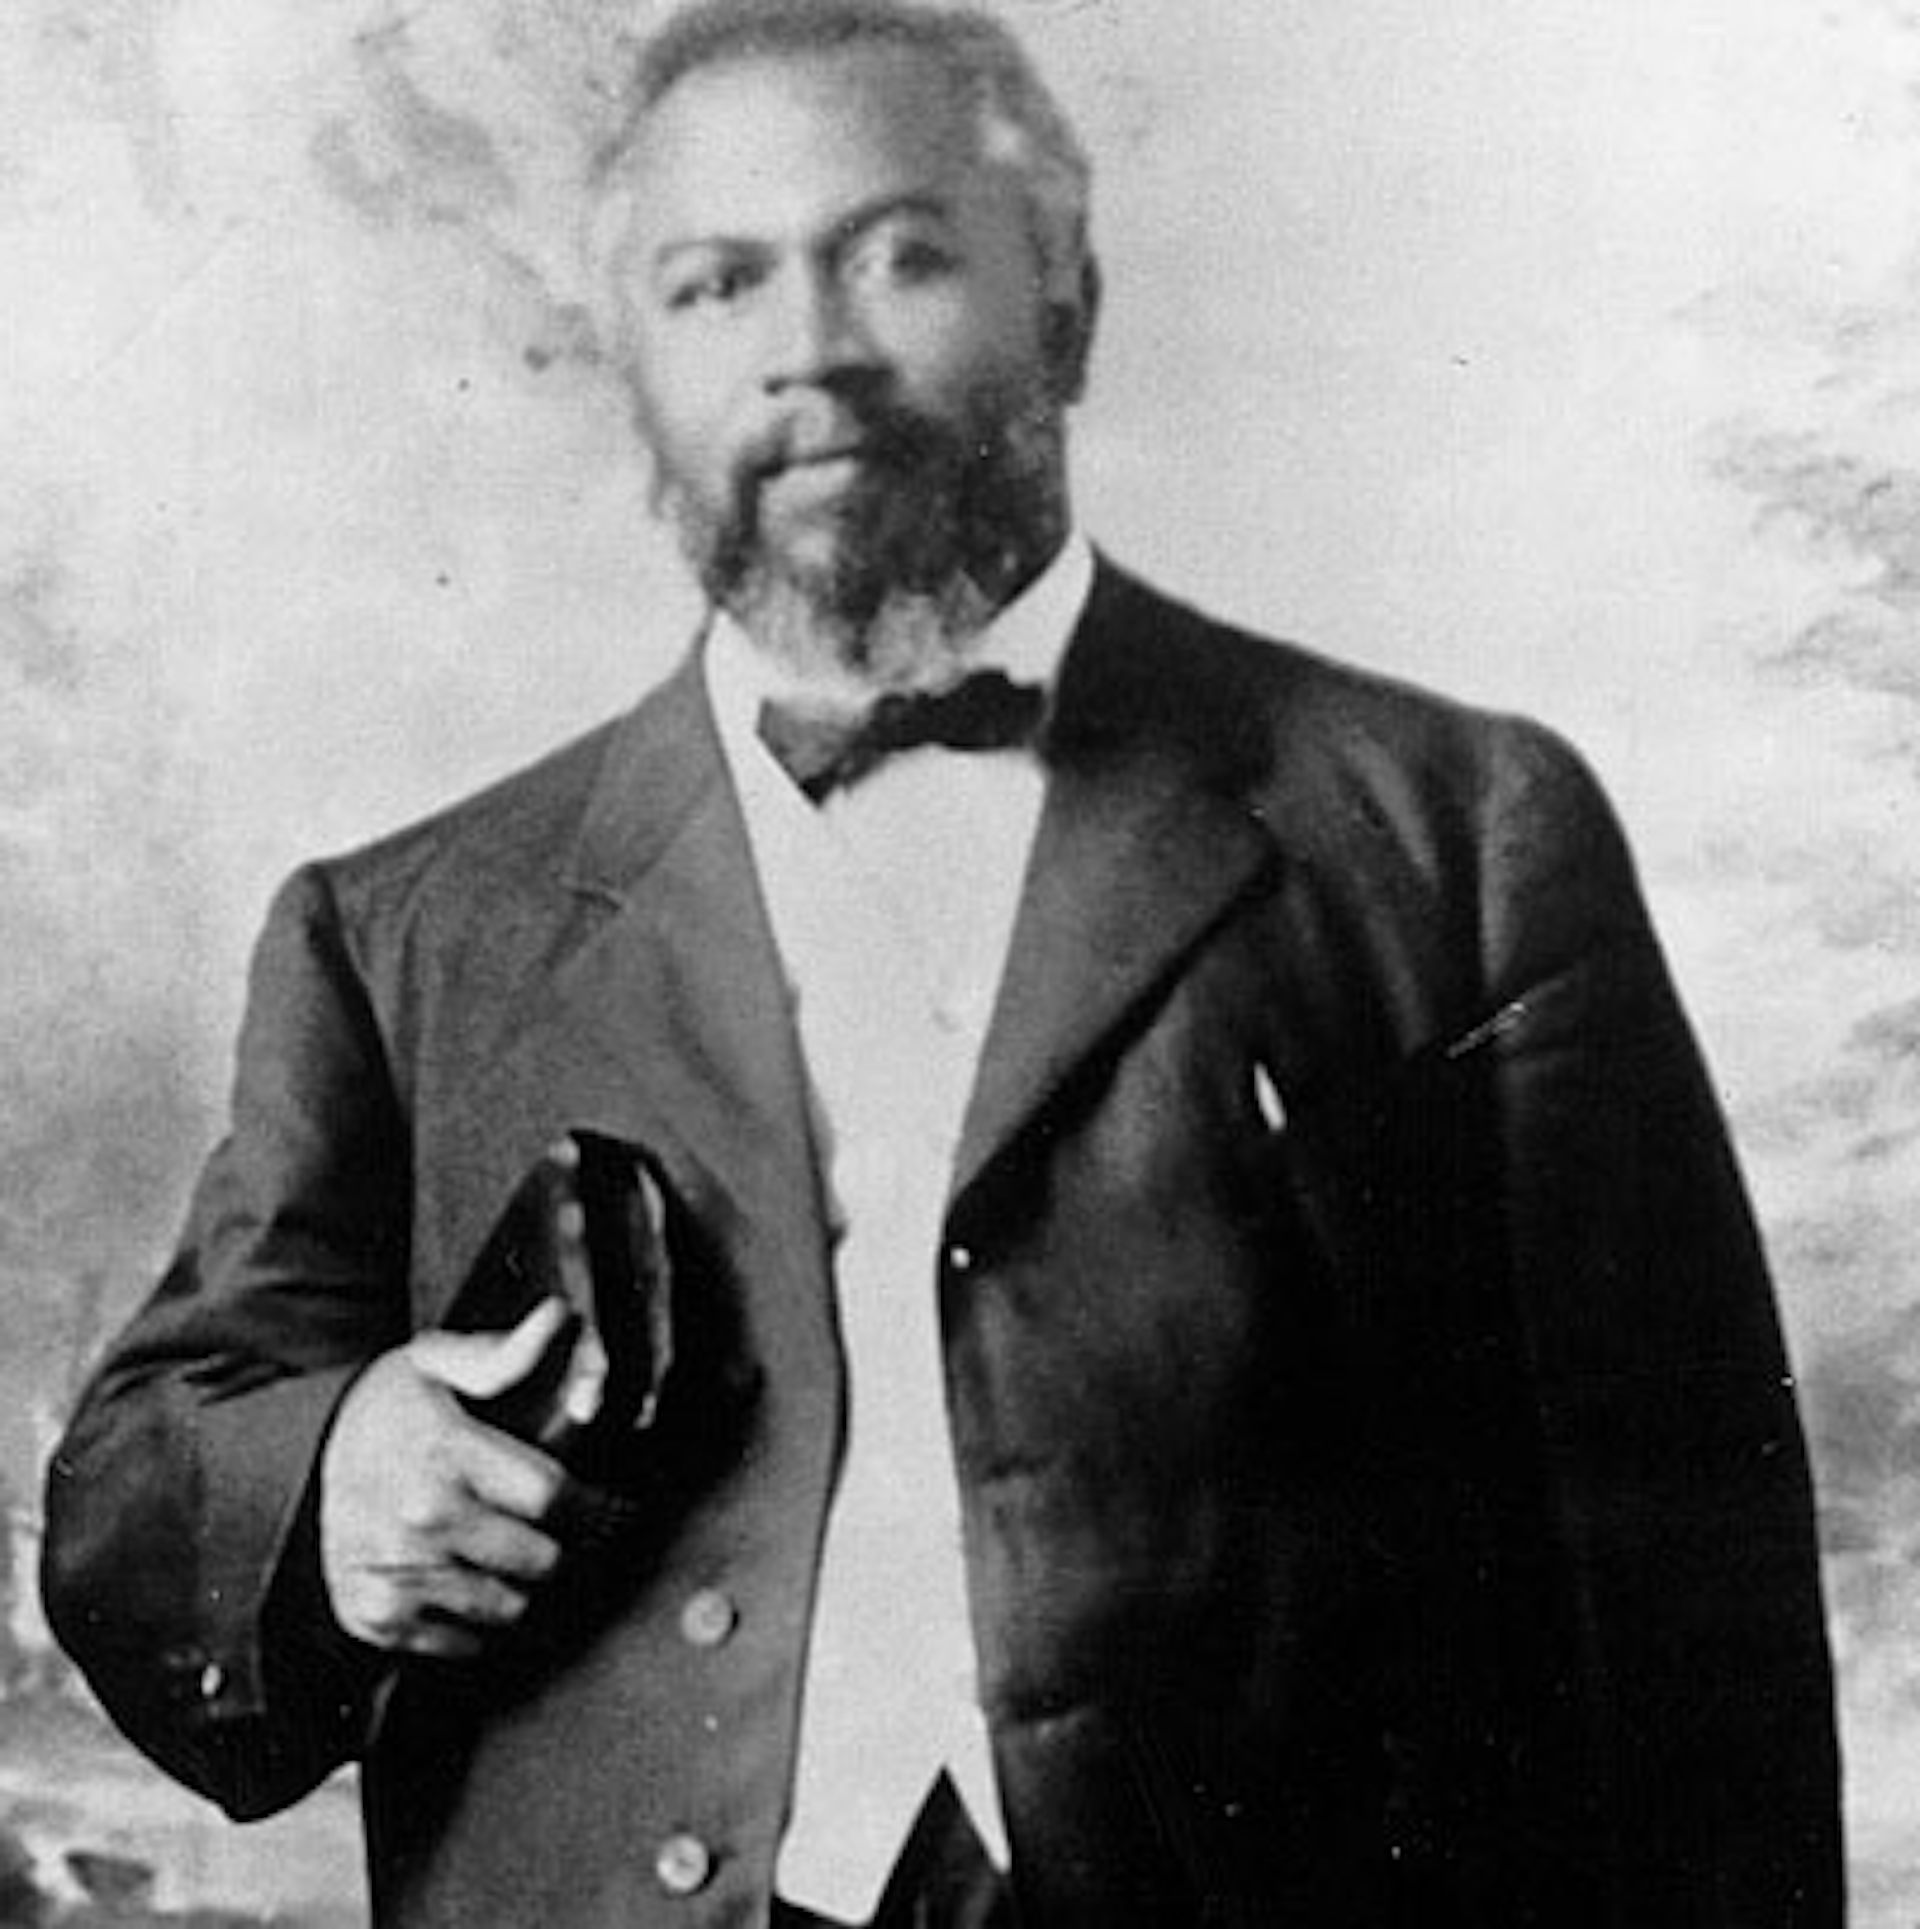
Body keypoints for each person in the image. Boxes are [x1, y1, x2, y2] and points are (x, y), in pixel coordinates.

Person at [42, 2, 1843, 1924]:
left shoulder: (1451, 839)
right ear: (631, 364)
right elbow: (145, 1487)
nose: (808, 348)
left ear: (1066, 300)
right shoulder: (407, 930)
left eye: (898, 255)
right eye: (716, 285)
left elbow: (1686, 1609)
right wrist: (329, 1486)